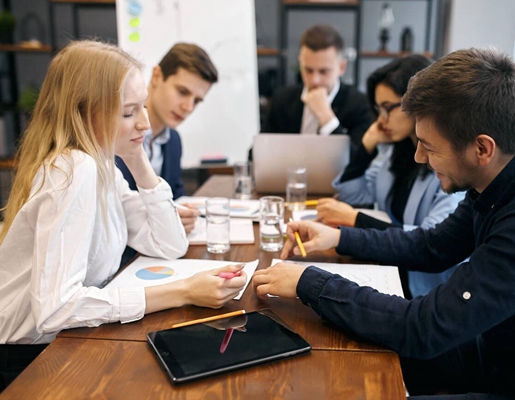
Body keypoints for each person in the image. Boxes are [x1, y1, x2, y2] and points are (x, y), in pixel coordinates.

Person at [253, 48, 515, 399]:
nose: (419, 156)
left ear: (482, 149)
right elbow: (432, 246)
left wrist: (309, 282)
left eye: (429, 147)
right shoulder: (501, 177)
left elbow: (424, 328)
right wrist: (339, 238)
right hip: (498, 356)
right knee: (330, 364)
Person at [0, 41, 246, 391]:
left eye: (143, 106)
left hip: (60, 340)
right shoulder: (74, 169)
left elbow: (169, 243)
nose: (145, 121)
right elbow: (54, 310)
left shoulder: (102, 165)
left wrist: (137, 158)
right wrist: (183, 291)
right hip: (26, 356)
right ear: (85, 112)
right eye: (129, 112)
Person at [316, 55, 463, 299]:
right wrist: (366, 145)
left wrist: (356, 219)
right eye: (378, 109)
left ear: (418, 102)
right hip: (389, 268)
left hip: (426, 287)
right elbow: (352, 194)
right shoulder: (397, 151)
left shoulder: (451, 164)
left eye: (388, 107)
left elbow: (430, 242)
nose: (381, 119)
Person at [116, 42, 218, 234]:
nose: (188, 107)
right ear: (156, 76)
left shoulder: (173, 141)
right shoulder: (116, 132)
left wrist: (182, 215)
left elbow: (176, 198)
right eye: (182, 92)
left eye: (196, 101)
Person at [261, 24, 373, 149]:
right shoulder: (282, 99)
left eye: (324, 71)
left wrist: (326, 118)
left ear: (342, 67)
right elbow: (257, 152)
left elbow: (358, 163)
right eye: (308, 70)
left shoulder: (360, 104)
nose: (315, 80)